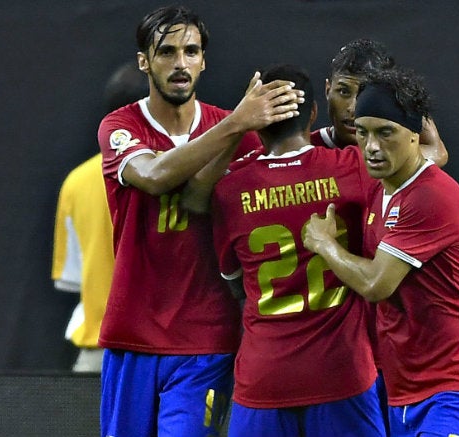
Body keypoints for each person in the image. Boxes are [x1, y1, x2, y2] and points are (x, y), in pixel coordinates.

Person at [96, 5, 302, 437]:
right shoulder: (121, 126)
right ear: (143, 61)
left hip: (207, 340)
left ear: (204, 60)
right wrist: (237, 122)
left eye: (191, 51)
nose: (179, 64)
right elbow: (153, 177)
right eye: (166, 52)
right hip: (132, 333)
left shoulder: (237, 133)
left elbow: (303, 157)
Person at [303, 67, 459, 437]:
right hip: (405, 391)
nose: (372, 146)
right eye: (363, 132)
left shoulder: (432, 194)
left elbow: (378, 284)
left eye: (386, 133)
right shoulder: (379, 191)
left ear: (416, 135)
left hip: (458, 385)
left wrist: (323, 244)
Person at [208, 64, 385, 437]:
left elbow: (235, 284)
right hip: (342, 372)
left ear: (255, 122)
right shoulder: (353, 168)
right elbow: (425, 160)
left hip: (264, 377)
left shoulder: (229, 189)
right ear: (314, 114)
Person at [51, 61, 148, 373]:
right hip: (167, 354)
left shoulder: (76, 182)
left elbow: (73, 279)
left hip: (98, 358)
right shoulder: (188, 174)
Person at [311, 38, 448, 166]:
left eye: (364, 93)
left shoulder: (395, 149)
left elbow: (438, 152)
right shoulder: (304, 150)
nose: (352, 108)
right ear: (328, 90)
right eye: (344, 92)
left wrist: (403, 95)